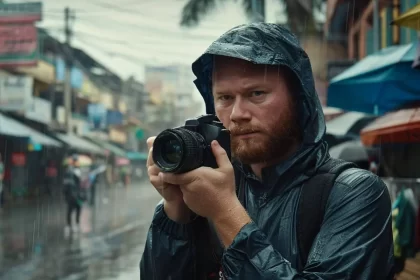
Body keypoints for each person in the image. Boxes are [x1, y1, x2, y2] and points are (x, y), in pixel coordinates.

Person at [140, 23, 394, 279]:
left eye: (256, 93)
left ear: (299, 99)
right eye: (225, 98)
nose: (238, 114)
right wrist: (175, 212)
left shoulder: (354, 193)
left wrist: (225, 213)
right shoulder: (212, 189)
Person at [63, 155, 83, 235]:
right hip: (72, 195)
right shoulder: (70, 171)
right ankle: (69, 225)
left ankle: (75, 224)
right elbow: (66, 184)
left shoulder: (77, 171)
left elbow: (80, 184)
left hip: (76, 195)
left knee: (77, 208)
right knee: (71, 210)